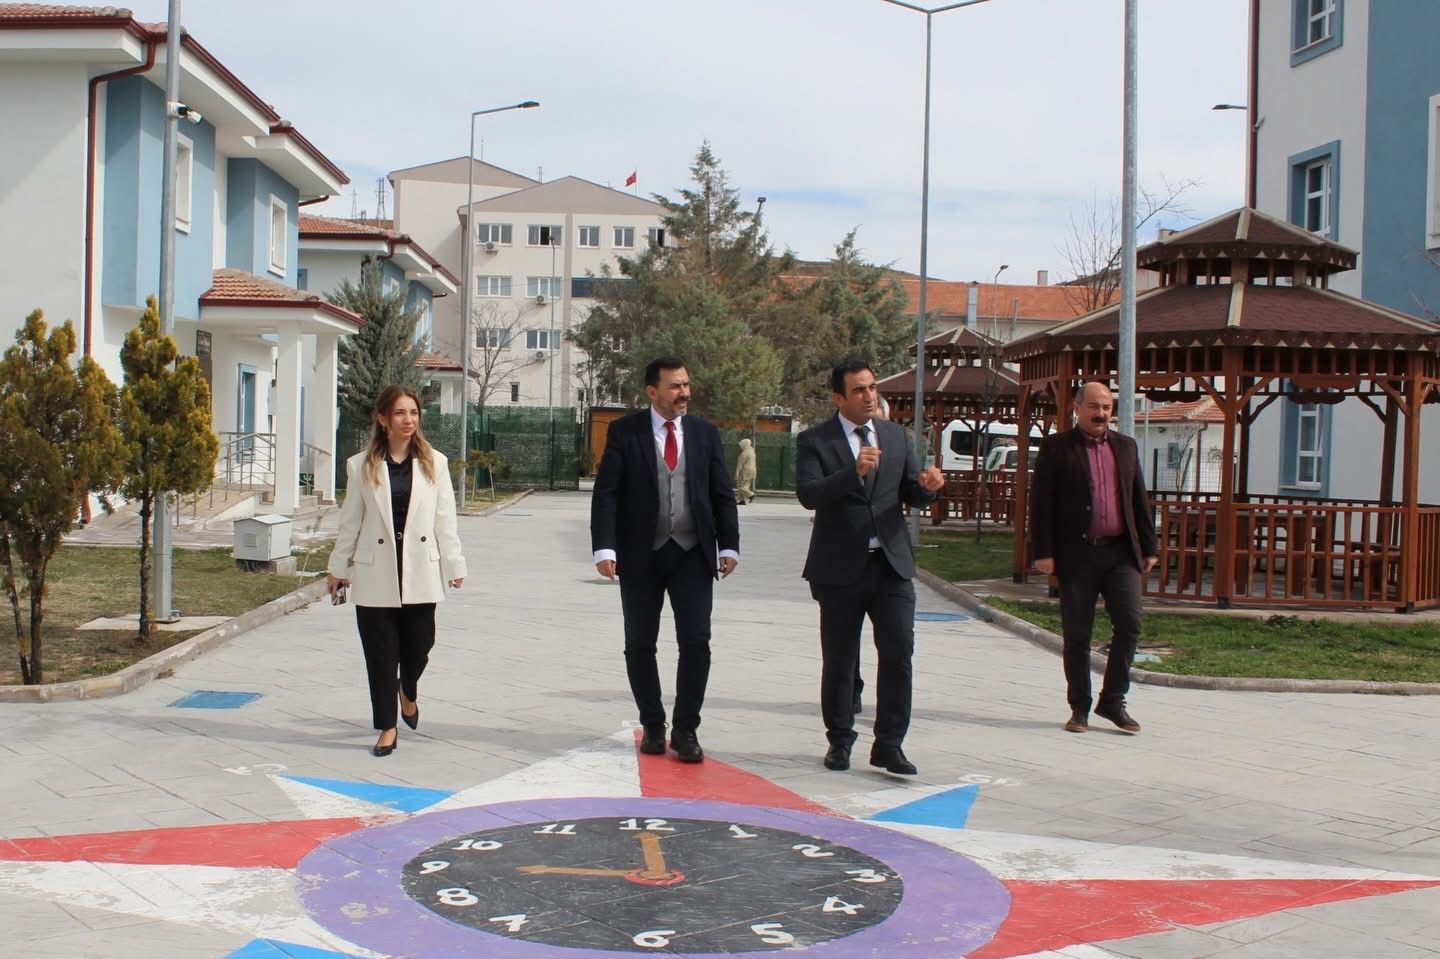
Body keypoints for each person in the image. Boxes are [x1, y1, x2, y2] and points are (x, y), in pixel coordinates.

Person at [797, 360, 945, 775]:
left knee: (899, 653)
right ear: (839, 398)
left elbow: (910, 491)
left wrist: (928, 489)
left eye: (872, 387)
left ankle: (890, 745)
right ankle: (840, 740)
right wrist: (853, 472)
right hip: (839, 568)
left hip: (890, 565)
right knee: (840, 660)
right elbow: (808, 494)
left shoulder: (896, 436)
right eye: (859, 390)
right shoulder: (816, 440)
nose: (869, 396)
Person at [590, 357, 740, 763]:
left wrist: (729, 545)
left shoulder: (705, 434)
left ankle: (686, 729)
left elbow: (722, 493)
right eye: (675, 386)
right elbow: (606, 493)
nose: (684, 393)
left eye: (686, 384)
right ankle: (653, 724)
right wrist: (604, 548)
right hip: (641, 554)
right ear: (652, 391)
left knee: (696, 641)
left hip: (693, 554)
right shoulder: (625, 432)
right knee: (640, 643)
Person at [327, 385, 466, 757]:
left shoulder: (435, 462)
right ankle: (387, 727)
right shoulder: (361, 465)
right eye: (400, 413)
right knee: (381, 656)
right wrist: (338, 568)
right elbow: (350, 521)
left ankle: (408, 689)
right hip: (376, 573)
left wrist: (454, 563)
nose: (409, 420)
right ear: (383, 418)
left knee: (420, 646)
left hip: (421, 570)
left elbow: (445, 519)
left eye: (414, 413)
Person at [1030, 381, 1158, 735]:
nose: (1101, 413)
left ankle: (1113, 700)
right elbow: (1041, 503)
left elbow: (1138, 498)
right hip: (1077, 554)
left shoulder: (1126, 447)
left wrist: (1149, 547)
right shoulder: (1057, 447)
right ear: (1077, 408)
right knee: (1077, 634)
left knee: (1130, 624)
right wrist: (1043, 552)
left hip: (1120, 553)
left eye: (1106, 407)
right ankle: (1080, 707)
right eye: (1094, 406)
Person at [734, 437, 757, 505]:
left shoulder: (744, 453)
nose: (740, 446)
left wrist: (737, 473)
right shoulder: (752, 451)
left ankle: (751, 494)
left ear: (745, 444)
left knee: (741, 486)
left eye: (741, 444)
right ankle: (742, 500)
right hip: (752, 471)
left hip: (745, 471)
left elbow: (740, 464)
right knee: (746, 485)